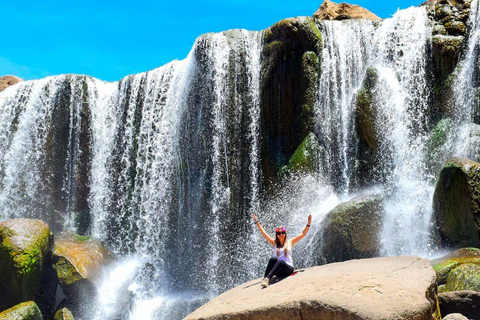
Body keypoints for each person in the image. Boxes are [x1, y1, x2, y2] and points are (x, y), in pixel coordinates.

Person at [252, 213, 312, 288]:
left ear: (285, 234)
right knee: (273, 259)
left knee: (280, 261)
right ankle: (265, 277)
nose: (281, 234)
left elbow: (302, 234)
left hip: (288, 269)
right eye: (279, 233)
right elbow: (264, 233)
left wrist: (308, 223)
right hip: (278, 271)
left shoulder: (290, 242)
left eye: (282, 233)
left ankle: (268, 279)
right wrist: (257, 221)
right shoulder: (274, 243)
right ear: (276, 235)